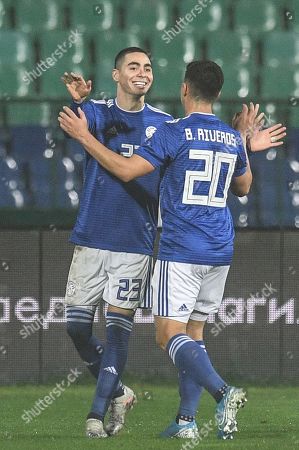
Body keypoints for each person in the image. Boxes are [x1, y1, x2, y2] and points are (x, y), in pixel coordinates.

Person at [58, 60, 286, 440]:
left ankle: (223, 392)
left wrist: (85, 137)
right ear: (217, 93)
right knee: (193, 333)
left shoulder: (173, 131)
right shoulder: (231, 137)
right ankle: (185, 422)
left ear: (184, 89)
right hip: (220, 249)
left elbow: (129, 171)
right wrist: (244, 143)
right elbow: (243, 187)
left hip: (182, 248)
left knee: (167, 335)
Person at [62, 47, 173, 439]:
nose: (142, 72)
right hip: (91, 235)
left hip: (134, 242)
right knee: (75, 327)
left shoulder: (164, 124)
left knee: (117, 331)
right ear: (116, 74)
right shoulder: (100, 113)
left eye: (147, 66)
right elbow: (77, 120)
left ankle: (96, 415)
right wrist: (78, 101)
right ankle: (120, 392)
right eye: (133, 66)